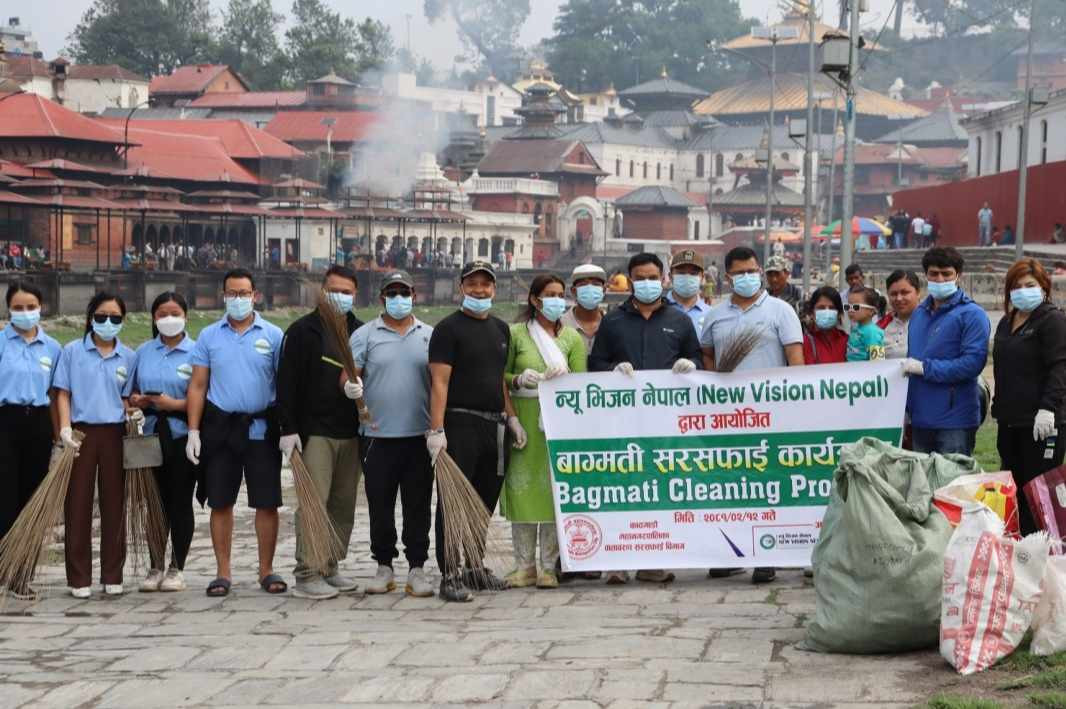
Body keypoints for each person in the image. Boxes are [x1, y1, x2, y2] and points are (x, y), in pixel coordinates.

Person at [589, 252, 702, 585]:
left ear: (663, 278)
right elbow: (595, 363)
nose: (647, 283)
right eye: (640, 277)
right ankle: (617, 561)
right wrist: (613, 369)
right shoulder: (612, 320)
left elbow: (696, 357)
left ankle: (653, 560)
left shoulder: (679, 319)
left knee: (659, 486)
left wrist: (690, 366)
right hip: (622, 418)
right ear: (629, 280)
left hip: (666, 419)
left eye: (653, 276)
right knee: (620, 486)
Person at [701, 246, 803, 584]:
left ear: (759, 271)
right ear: (727, 277)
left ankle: (767, 555)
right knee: (730, 483)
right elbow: (708, 361)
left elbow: (795, 360)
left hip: (771, 413)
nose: (747, 277)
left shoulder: (781, 311)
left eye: (752, 271)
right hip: (728, 415)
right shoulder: (715, 315)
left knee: (767, 483)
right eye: (739, 273)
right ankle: (729, 553)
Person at [427, 260, 526, 602]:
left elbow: (499, 380)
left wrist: (511, 418)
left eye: (486, 285)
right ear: (461, 287)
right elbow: (439, 382)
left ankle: (474, 565)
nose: (479, 290)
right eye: (473, 285)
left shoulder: (501, 329)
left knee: (484, 501)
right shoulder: (448, 329)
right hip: (460, 422)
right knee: (453, 501)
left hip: (494, 425)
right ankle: (450, 573)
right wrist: (436, 430)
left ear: (494, 289)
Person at [185, 269, 286, 598]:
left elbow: (284, 386)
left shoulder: (272, 335)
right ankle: (222, 572)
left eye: (244, 293)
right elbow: (198, 386)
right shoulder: (209, 337)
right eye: (232, 293)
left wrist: (289, 428)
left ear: (255, 295)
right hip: (222, 431)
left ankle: (266, 569)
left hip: (260, 430)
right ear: (223, 295)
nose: (238, 299)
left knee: (267, 503)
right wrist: (193, 430)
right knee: (221, 502)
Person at [276, 265, 364, 600]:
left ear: (355, 295)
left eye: (347, 292)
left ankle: (330, 564)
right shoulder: (303, 332)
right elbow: (286, 384)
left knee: (343, 503)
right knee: (314, 501)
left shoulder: (359, 330)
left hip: (351, 431)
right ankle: (307, 571)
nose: (340, 297)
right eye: (334, 290)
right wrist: (288, 428)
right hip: (315, 432)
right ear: (323, 291)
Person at [349, 270, 436, 598]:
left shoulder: (429, 334)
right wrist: (349, 386)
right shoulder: (365, 335)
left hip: (418, 434)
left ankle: (417, 567)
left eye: (404, 292)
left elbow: (439, 382)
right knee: (379, 503)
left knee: (418, 503)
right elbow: (350, 374)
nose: (398, 298)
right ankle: (384, 564)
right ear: (382, 297)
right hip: (376, 434)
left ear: (414, 295)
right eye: (392, 293)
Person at [503, 275, 587, 590]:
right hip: (524, 420)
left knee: (554, 496)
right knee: (523, 494)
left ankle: (548, 566)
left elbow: (582, 385)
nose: (556, 300)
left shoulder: (572, 340)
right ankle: (523, 566)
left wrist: (565, 379)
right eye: (549, 295)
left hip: (558, 422)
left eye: (560, 294)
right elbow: (501, 376)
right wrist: (517, 381)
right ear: (535, 300)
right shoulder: (515, 335)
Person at [54, 292, 138, 599]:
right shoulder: (73, 351)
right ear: (91, 317)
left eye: (115, 318)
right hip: (81, 434)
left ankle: (112, 573)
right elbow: (62, 392)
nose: (107, 322)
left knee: (115, 504)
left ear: (122, 321)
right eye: (101, 316)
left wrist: (134, 410)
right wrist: (65, 428)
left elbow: (128, 398)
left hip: (115, 435)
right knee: (77, 504)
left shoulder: (129, 356)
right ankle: (78, 578)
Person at [992, 259, 1066, 535]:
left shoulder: (1053, 320)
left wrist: (1048, 409)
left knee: (1040, 494)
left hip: (1041, 424)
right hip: (1009, 421)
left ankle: (1047, 551)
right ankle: (1020, 549)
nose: (1023, 291)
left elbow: (1060, 367)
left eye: (1029, 285)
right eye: (1017, 286)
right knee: (1014, 490)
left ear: (1044, 287)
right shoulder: (1005, 322)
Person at [129, 292, 197, 593]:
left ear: (185, 316)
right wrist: (137, 401)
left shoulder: (197, 352)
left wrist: (174, 404)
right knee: (152, 502)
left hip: (183, 436)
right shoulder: (142, 352)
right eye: (161, 314)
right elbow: (128, 394)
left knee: (180, 501)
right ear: (153, 319)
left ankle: (176, 566)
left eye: (174, 313)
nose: (168, 320)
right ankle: (155, 565)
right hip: (149, 435)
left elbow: (204, 398)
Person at [0, 283, 61, 598]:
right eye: (18, 308)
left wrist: (60, 434)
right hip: (4, 422)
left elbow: (55, 395)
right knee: (4, 496)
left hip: (37, 424)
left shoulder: (52, 348)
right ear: (9, 309)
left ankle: (21, 573)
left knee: (31, 499)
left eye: (31, 306)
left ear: (41, 306)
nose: (25, 313)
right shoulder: (1, 343)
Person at [901, 247, 990, 456]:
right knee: (924, 486)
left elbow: (973, 363)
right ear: (926, 275)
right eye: (934, 273)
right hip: (921, 417)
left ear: (958, 275)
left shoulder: (972, 314)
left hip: (954, 420)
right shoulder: (919, 314)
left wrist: (926, 368)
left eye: (946, 273)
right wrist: (906, 409)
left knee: (952, 485)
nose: (940, 279)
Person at [561, 263, 607, 354]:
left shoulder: (613, 323)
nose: (590, 288)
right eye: (583, 284)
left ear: (604, 290)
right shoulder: (560, 325)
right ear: (574, 291)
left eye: (596, 284)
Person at [666, 250, 713, 334]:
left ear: (702, 277)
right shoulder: (657, 310)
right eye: (681, 273)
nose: (687, 277)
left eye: (693, 273)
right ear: (670, 276)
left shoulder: (711, 315)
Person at [878, 270, 921, 360]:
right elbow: (875, 362)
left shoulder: (932, 323)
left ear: (918, 293)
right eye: (893, 294)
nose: (899, 298)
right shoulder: (880, 326)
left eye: (905, 293)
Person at [801, 286, 848, 365]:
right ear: (812, 312)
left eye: (832, 308)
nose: (827, 311)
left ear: (839, 313)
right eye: (821, 308)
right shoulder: (803, 343)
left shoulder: (848, 342)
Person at [845, 287, 885, 361]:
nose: (850, 310)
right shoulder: (856, 328)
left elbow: (877, 361)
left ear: (871, 311)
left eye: (855, 307)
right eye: (848, 307)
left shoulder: (873, 332)